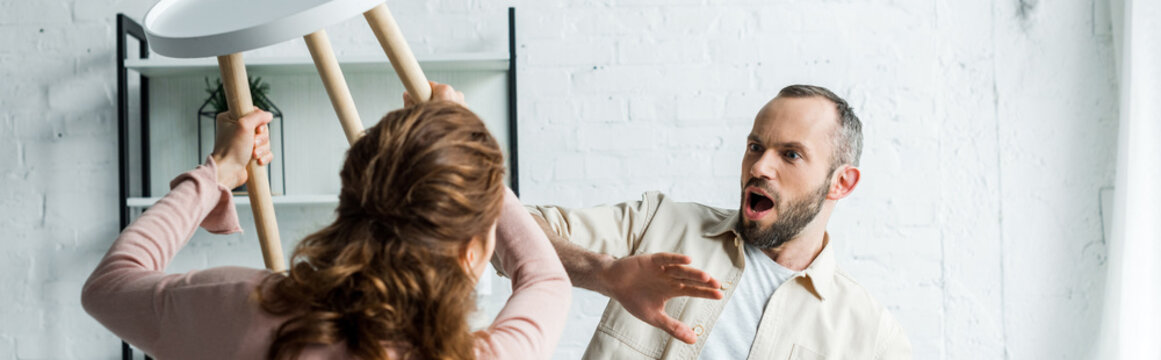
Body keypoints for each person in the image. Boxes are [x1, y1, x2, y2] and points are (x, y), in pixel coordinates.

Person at [81, 91, 572, 359]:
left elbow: (109, 285)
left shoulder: (233, 306)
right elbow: (545, 277)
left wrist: (216, 173)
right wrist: (462, 142)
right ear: (471, 252)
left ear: (351, 198)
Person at [506, 84, 913, 359]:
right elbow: (500, 228)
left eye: (790, 154)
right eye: (755, 146)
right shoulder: (661, 224)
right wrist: (606, 273)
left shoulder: (871, 335)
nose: (760, 167)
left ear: (841, 183)